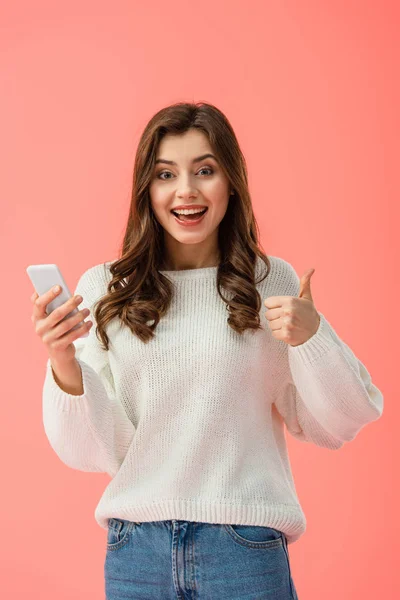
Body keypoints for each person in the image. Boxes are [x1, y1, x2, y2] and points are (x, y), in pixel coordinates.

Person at [33, 102, 383, 599]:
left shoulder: (269, 283)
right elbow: (93, 449)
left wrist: (313, 337)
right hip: (136, 553)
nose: (186, 191)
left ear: (232, 181)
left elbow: (335, 422)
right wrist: (63, 360)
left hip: (243, 549)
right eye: (165, 174)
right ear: (146, 189)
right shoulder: (108, 289)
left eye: (205, 170)